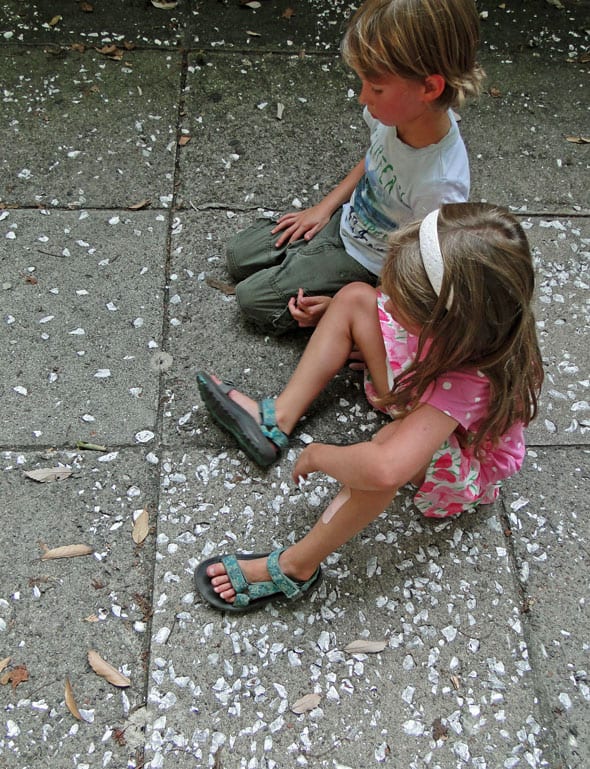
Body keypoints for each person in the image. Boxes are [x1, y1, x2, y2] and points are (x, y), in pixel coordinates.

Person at [195, 203, 544, 612]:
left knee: (382, 456)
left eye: (402, 303)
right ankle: (277, 419)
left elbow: (385, 468)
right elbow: (383, 305)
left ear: (447, 322)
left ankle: (295, 567)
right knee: (356, 297)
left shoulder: (471, 379)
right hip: (421, 384)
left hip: (459, 458)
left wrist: (320, 455)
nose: (388, 305)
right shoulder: (480, 320)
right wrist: (357, 318)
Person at [225, 0, 485, 335]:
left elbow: (424, 271)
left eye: (375, 88)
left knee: (252, 300)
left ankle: (346, 317)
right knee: (238, 254)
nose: (363, 97)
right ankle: (306, 272)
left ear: (429, 88)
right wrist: (324, 207)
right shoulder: (397, 116)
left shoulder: (441, 183)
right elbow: (374, 159)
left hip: (369, 264)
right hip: (343, 222)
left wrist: (348, 308)